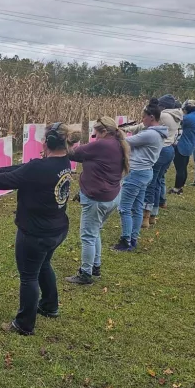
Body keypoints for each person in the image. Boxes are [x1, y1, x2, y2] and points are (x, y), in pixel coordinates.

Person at [0, 123, 77, 336]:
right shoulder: (64, 162)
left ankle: (24, 323)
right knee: (44, 265)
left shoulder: (40, 167)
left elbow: (7, 180)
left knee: (28, 276)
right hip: (57, 228)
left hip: (36, 233)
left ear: (48, 143)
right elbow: (21, 168)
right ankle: (50, 306)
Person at [65, 117, 129, 285]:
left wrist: (67, 141)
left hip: (97, 199)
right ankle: (96, 266)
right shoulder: (116, 142)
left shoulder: (102, 144)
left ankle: (85, 274)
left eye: (96, 132)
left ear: (104, 132)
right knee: (95, 232)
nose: (94, 135)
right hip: (112, 196)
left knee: (87, 236)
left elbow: (74, 154)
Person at [113, 100, 167, 252]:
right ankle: (133, 239)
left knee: (124, 208)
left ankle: (125, 240)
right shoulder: (157, 132)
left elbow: (125, 142)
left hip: (136, 173)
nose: (142, 119)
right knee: (137, 208)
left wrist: (117, 133)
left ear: (151, 117)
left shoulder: (150, 134)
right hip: (145, 172)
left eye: (143, 117)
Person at [135, 94, 181, 229]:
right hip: (169, 150)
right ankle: (154, 214)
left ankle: (146, 217)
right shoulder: (175, 115)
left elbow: (147, 122)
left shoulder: (164, 116)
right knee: (158, 182)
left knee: (151, 184)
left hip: (162, 150)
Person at [169, 100, 195, 195]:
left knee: (179, 168)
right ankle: (181, 186)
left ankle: (176, 189)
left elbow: (176, 121)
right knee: (183, 167)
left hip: (183, 146)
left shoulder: (188, 118)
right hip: (189, 145)